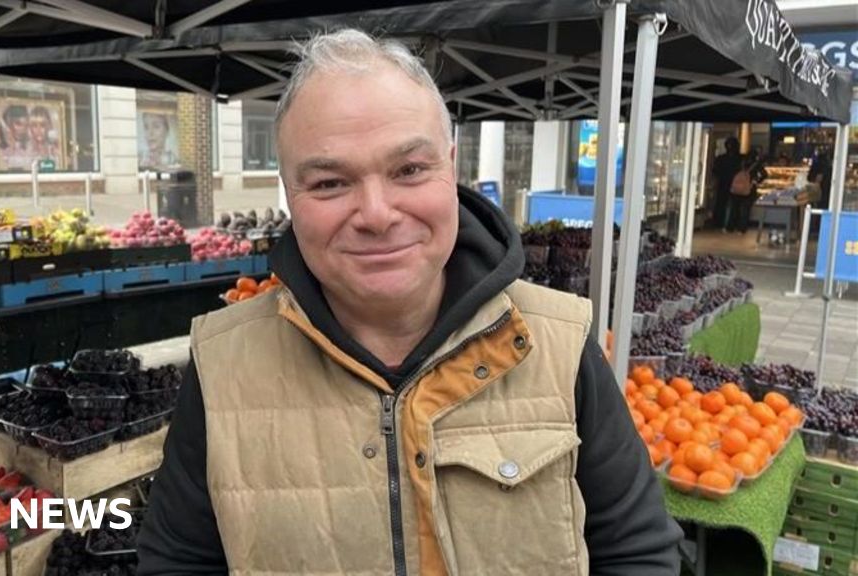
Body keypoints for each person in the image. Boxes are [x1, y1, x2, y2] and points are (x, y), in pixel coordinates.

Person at [137, 29, 682, 576]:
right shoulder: (224, 365)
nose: (376, 214)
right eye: (329, 183)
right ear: (289, 193)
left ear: (451, 168)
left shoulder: (558, 341)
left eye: (409, 170)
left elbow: (637, 552)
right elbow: (177, 563)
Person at [726, 151, 767, 235]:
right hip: (749, 189)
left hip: (736, 189)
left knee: (734, 209)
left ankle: (730, 228)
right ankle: (742, 229)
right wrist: (756, 181)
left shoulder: (740, 163)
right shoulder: (757, 165)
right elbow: (764, 175)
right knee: (745, 210)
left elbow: (732, 173)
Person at [711, 136, 742, 231]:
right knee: (734, 205)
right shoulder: (739, 159)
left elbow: (715, 170)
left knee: (721, 203)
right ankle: (731, 224)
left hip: (723, 183)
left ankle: (719, 223)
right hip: (736, 184)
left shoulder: (721, 158)